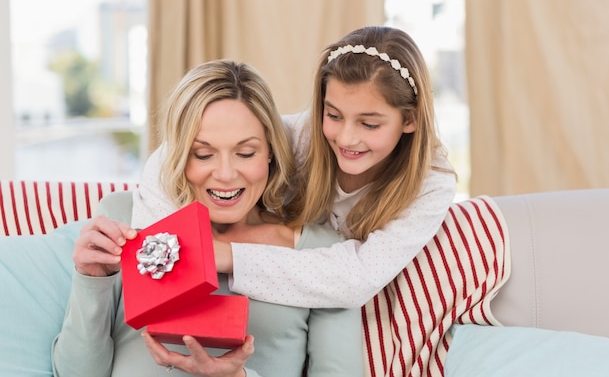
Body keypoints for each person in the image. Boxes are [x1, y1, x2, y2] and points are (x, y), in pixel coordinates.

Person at [51, 60, 364, 377]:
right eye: (203, 154)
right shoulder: (125, 218)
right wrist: (91, 282)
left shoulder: (323, 252)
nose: (226, 175)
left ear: (271, 151)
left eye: (246, 153)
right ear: (177, 155)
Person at [132, 25, 458, 309]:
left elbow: (359, 277)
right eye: (332, 115)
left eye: (369, 124)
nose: (346, 137)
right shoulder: (301, 137)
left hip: (343, 312)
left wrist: (226, 255)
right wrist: (164, 245)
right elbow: (170, 156)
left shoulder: (431, 182)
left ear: (411, 119)